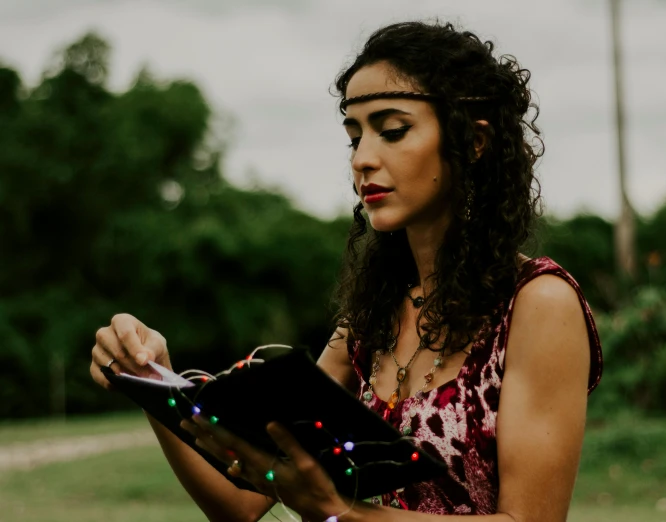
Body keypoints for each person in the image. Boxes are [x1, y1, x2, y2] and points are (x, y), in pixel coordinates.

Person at [90, 21, 602, 522]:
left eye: (393, 130)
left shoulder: (536, 303)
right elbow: (242, 503)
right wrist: (151, 381)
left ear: (473, 142)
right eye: (355, 136)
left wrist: (341, 512)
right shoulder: (368, 322)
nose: (363, 159)